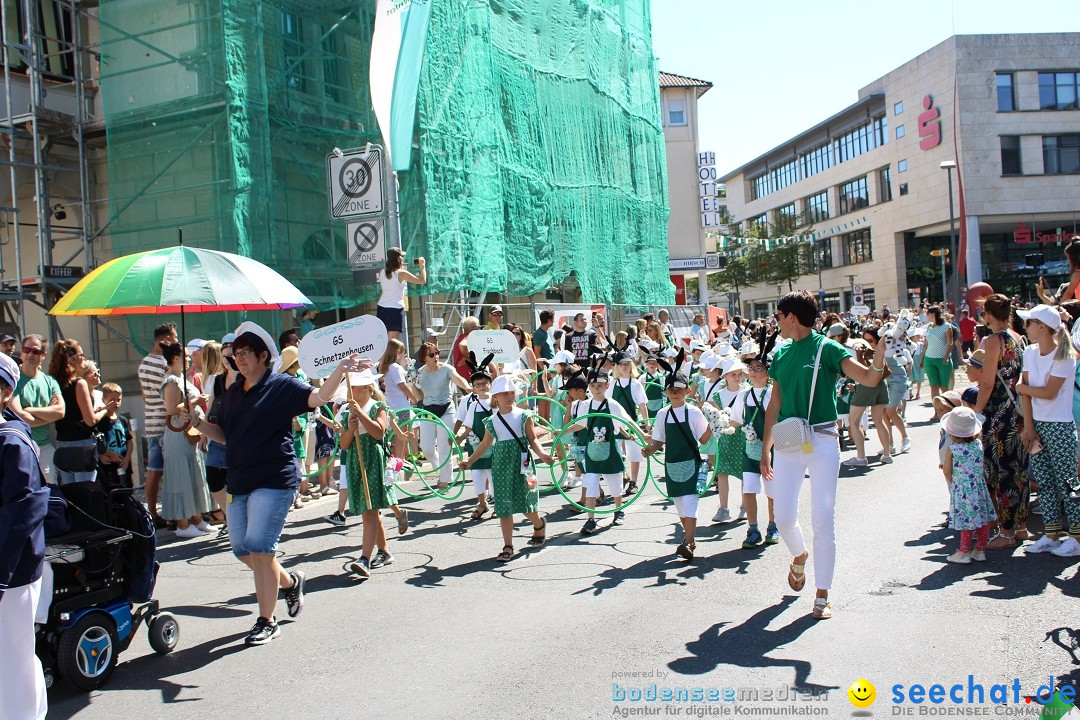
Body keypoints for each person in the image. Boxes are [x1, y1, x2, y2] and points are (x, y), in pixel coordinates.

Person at [185, 321, 371, 644]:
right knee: (243, 549)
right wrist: (200, 424)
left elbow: (318, 396)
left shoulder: (281, 385)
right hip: (240, 480)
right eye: (236, 353)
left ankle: (267, 621)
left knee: (260, 546)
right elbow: (225, 436)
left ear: (263, 356)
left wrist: (341, 369)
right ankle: (289, 583)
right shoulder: (231, 394)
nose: (239, 359)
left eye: (246, 353)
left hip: (274, 478)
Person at [761, 291, 886, 620]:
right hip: (789, 442)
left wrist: (880, 356)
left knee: (823, 520)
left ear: (791, 317)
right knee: (783, 518)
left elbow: (868, 378)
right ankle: (799, 556)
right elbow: (774, 404)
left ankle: (822, 594)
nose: (776, 322)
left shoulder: (827, 347)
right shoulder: (782, 353)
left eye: (778, 316)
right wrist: (765, 449)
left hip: (823, 442)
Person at [0, 351, 49, 720]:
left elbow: (22, 516)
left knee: (12, 660)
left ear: (4, 391)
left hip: (11, 573)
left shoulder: (12, 442)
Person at [459, 374, 552, 562]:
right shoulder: (492, 421)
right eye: (504, 393)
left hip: (521, 464)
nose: (509, 396)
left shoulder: (524, 416)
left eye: (511, 393)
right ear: (496, 397)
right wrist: (469, 461)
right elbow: (485, 444)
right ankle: (508, 545)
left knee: (526, 504)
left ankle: (538, 523)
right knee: (504, 507)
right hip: (501, 465)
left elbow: (532, 439)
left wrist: (543, 455)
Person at [1014, 305, 1080, 557]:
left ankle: (1076, 537)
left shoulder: (1065, 356)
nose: (1025, 326)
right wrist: (1028, 426)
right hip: (1038, 424)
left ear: (1041, 326)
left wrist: (1023, 389)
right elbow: (1027, 388)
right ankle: (1051, 535)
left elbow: (1047, 392)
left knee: (1067, 482)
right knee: (1044, 482)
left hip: (1060, 426)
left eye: (1029, 322)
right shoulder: (1030, 352)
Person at [971, 295, 1031, 550]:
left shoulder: (993, 340)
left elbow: (987, 382)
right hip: (1018, 410)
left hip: (998, 415)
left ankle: (1006, 531)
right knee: (1019, 470)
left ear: (988, 315)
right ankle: (1020, 527)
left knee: (1002, 471)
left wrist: (976, 412)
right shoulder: (1018, 338)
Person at [642, 351, 712, 560]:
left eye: (679, 390)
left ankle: (688, 542)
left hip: (691, 463)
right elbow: (659, 440)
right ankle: (689, 537)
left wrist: (716, 424)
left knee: (690, 503)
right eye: (671, 390)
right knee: (680, 506)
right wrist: (650, 450)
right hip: (672, 465)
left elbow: (705, 438)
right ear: (666, 391)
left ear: (687, 390)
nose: (675, 393)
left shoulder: (693, 412)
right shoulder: (663, 414)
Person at [340, 370, 397, 577]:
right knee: (369, 510)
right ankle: (384, 551)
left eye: (353, 387)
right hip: (357, 460)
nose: (350, 391)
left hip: (372, 460)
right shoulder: (347, 412)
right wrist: (349, 428)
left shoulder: (377, 407)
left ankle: (364, 559)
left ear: (365, 387)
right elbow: (344, 445)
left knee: (370, 512)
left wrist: (361, 415)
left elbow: (378, 432)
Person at [565, 361, 632, 534]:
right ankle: (591, 519)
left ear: (606, 385)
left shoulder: (612, 405)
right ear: (589, 387)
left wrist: (643, 435)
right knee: (591, 485)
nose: (596, 389)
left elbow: (627, 421)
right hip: (592, 452)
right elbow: (579, 424)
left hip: (610, 450)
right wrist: (563, 430)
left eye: (600, 386)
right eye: (593, 386)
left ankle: (618, 510)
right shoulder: (586, 406)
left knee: (615, 484)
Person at [731, 334, 779, 548]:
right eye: (751, 368)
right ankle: (752, 528)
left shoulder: (773, 393)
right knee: (748, 489)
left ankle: (773, 525)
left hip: (773, 450)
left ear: (768, 373)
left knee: (772, 491)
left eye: (759, 368)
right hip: (750, 450)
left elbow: (781, 419)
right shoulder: (743, 395)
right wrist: (717, 426)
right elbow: (735, 421)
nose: (753, 371)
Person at [159, 342, 211, 538]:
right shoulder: (172, 380)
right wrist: (196, 402)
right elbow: (172, 409)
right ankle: (182, 523)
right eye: (186, 356)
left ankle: (197, 519)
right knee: (181, 475)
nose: (189, 358)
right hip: (178, 433)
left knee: (193, 472)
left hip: (188, 431)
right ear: (176, 358)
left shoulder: (180, 378)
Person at [50, 339, 114, 485]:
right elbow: (90, 420)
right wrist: (104, 411)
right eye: (82, 355)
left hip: (62, 441)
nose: (84, 359)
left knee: (69, 491)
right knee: (85, 490)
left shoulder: (53, 382)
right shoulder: (79, 383)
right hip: (81, 443)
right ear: (73, 359)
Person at [940, 407, 996, 564]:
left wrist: (954, 481)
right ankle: (980, 549)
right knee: (982, 519)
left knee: (967, 520)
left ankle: (964, 551)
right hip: (979, 487)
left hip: (963, 488)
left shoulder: (953, 448)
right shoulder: (978, 444)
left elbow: (946, 471)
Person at [413, 342, 470, 491]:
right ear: (423, 357)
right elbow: (417, 397)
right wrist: (413, 383)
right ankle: (439, 469)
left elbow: (458, 379)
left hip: (446, 410)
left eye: (437, 353)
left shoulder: (446, 369)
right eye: (431, 354)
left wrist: (468, 387)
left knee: (445, 446)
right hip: (428, 411)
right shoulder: (420, 372)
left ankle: (445, 480)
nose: (436, 356)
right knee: (426, 447)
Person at [139, 322, 178, 525]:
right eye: (174, 337)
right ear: (166, 340)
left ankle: (151, 512)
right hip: (164, 421)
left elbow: (145, 396)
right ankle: (173, 513)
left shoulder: (144, 362)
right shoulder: (163, 363)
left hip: (150, 420)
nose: (177, 341)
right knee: (171, 469)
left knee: (154, 471)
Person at [10, 335, 63, 483]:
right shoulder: (13, 380)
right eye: (27, 350)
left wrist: (30, 409)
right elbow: (20, 417)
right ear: (22, 352)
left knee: (51, 493)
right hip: (20, 447)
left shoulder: (49, 381)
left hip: (44, 448)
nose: (30, 354)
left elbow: (60, 412)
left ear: (43, 355)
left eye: (36, 351)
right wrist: (48, 416)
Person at [454, 355, 496, 520]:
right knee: (477, 473)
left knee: (493, 474)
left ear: (490, 384)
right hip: (475, 444)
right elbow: (469, 426)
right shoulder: (472, 405)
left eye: (485, 383)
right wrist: (459, 438)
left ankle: (497, 503)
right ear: (473, 387)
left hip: (492, 445)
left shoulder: (495, 402)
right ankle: (482, 503)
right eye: (478, 385)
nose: (482, 387)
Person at [203, 338, 235, 536]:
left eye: (231, 355)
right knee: (214, 480)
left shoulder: (246, 380)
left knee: (234, 483)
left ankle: (237, 518)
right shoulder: (217, 380)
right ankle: (230, 516)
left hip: (238, 437)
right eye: (224, 356)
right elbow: (210, 408)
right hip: (217, 434)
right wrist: (203, 432)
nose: (227, 360)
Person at [376, 247, 426, 340]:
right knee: (393, 339)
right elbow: (422, 280)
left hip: (382, 307)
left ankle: (386, 355)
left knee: (383, 339)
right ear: (398, 259)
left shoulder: (382, 272)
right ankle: (391, 355)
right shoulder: (401, 273)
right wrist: (422, 266)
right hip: (395, 308)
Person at [95, 383, 134, 490]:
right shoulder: (100, 421)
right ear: (104, 400)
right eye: (112, 400)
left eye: (119, 400)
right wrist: (101, 455)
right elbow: (96, 441)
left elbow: (129, 441)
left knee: (126, 490)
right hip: (108, 466)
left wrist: (127, 459)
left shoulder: (123, 420)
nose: (116, 403)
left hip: (123, 464)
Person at [921, 306, 954, 409]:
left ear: (934, 314)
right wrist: (922, 358)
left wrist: (946, 356)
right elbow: (926, 344)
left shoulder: (946, 326)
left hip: (942, 360)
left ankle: (947, 409)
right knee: (933, 387)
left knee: (944, 387)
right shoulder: (929, 327)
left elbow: (950, 343)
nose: (928, 316)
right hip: (929, 359)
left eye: (929, 313)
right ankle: (937, 411)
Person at [1036, 237, 1080, 304]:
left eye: (1068, 257)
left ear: (1075, 257)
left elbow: (1068, 294)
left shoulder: (1077, 273)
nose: (1068, 261)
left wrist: (1060, 308)